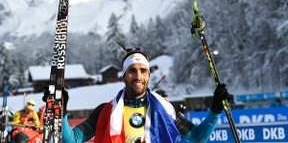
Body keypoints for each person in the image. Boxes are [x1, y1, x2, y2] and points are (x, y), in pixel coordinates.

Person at [42, 49, 232, 143]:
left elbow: (198, 137)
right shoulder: (105, 111)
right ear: (124, 76)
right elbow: (72, 139)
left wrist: (215, 109)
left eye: (143, 70)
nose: (138, 76)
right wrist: (60, 111)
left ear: (149, 75)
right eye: (132, 71)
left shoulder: (165, 110)